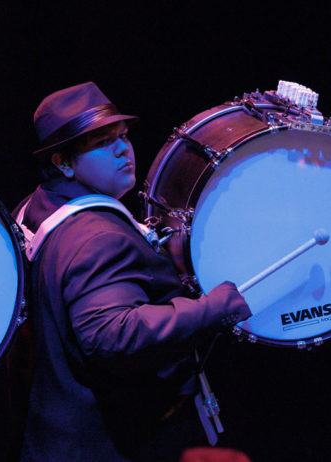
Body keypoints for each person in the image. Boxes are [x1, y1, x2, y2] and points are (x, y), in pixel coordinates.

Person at [13, 82, 252, 462]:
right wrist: (215, 306)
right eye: (102, 142)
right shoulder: (98, 236)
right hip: (99, 446)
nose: (123, 149)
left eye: (123, 135)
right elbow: (111, 334)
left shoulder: (35, 208)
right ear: (63, 162)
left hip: (51, 435)